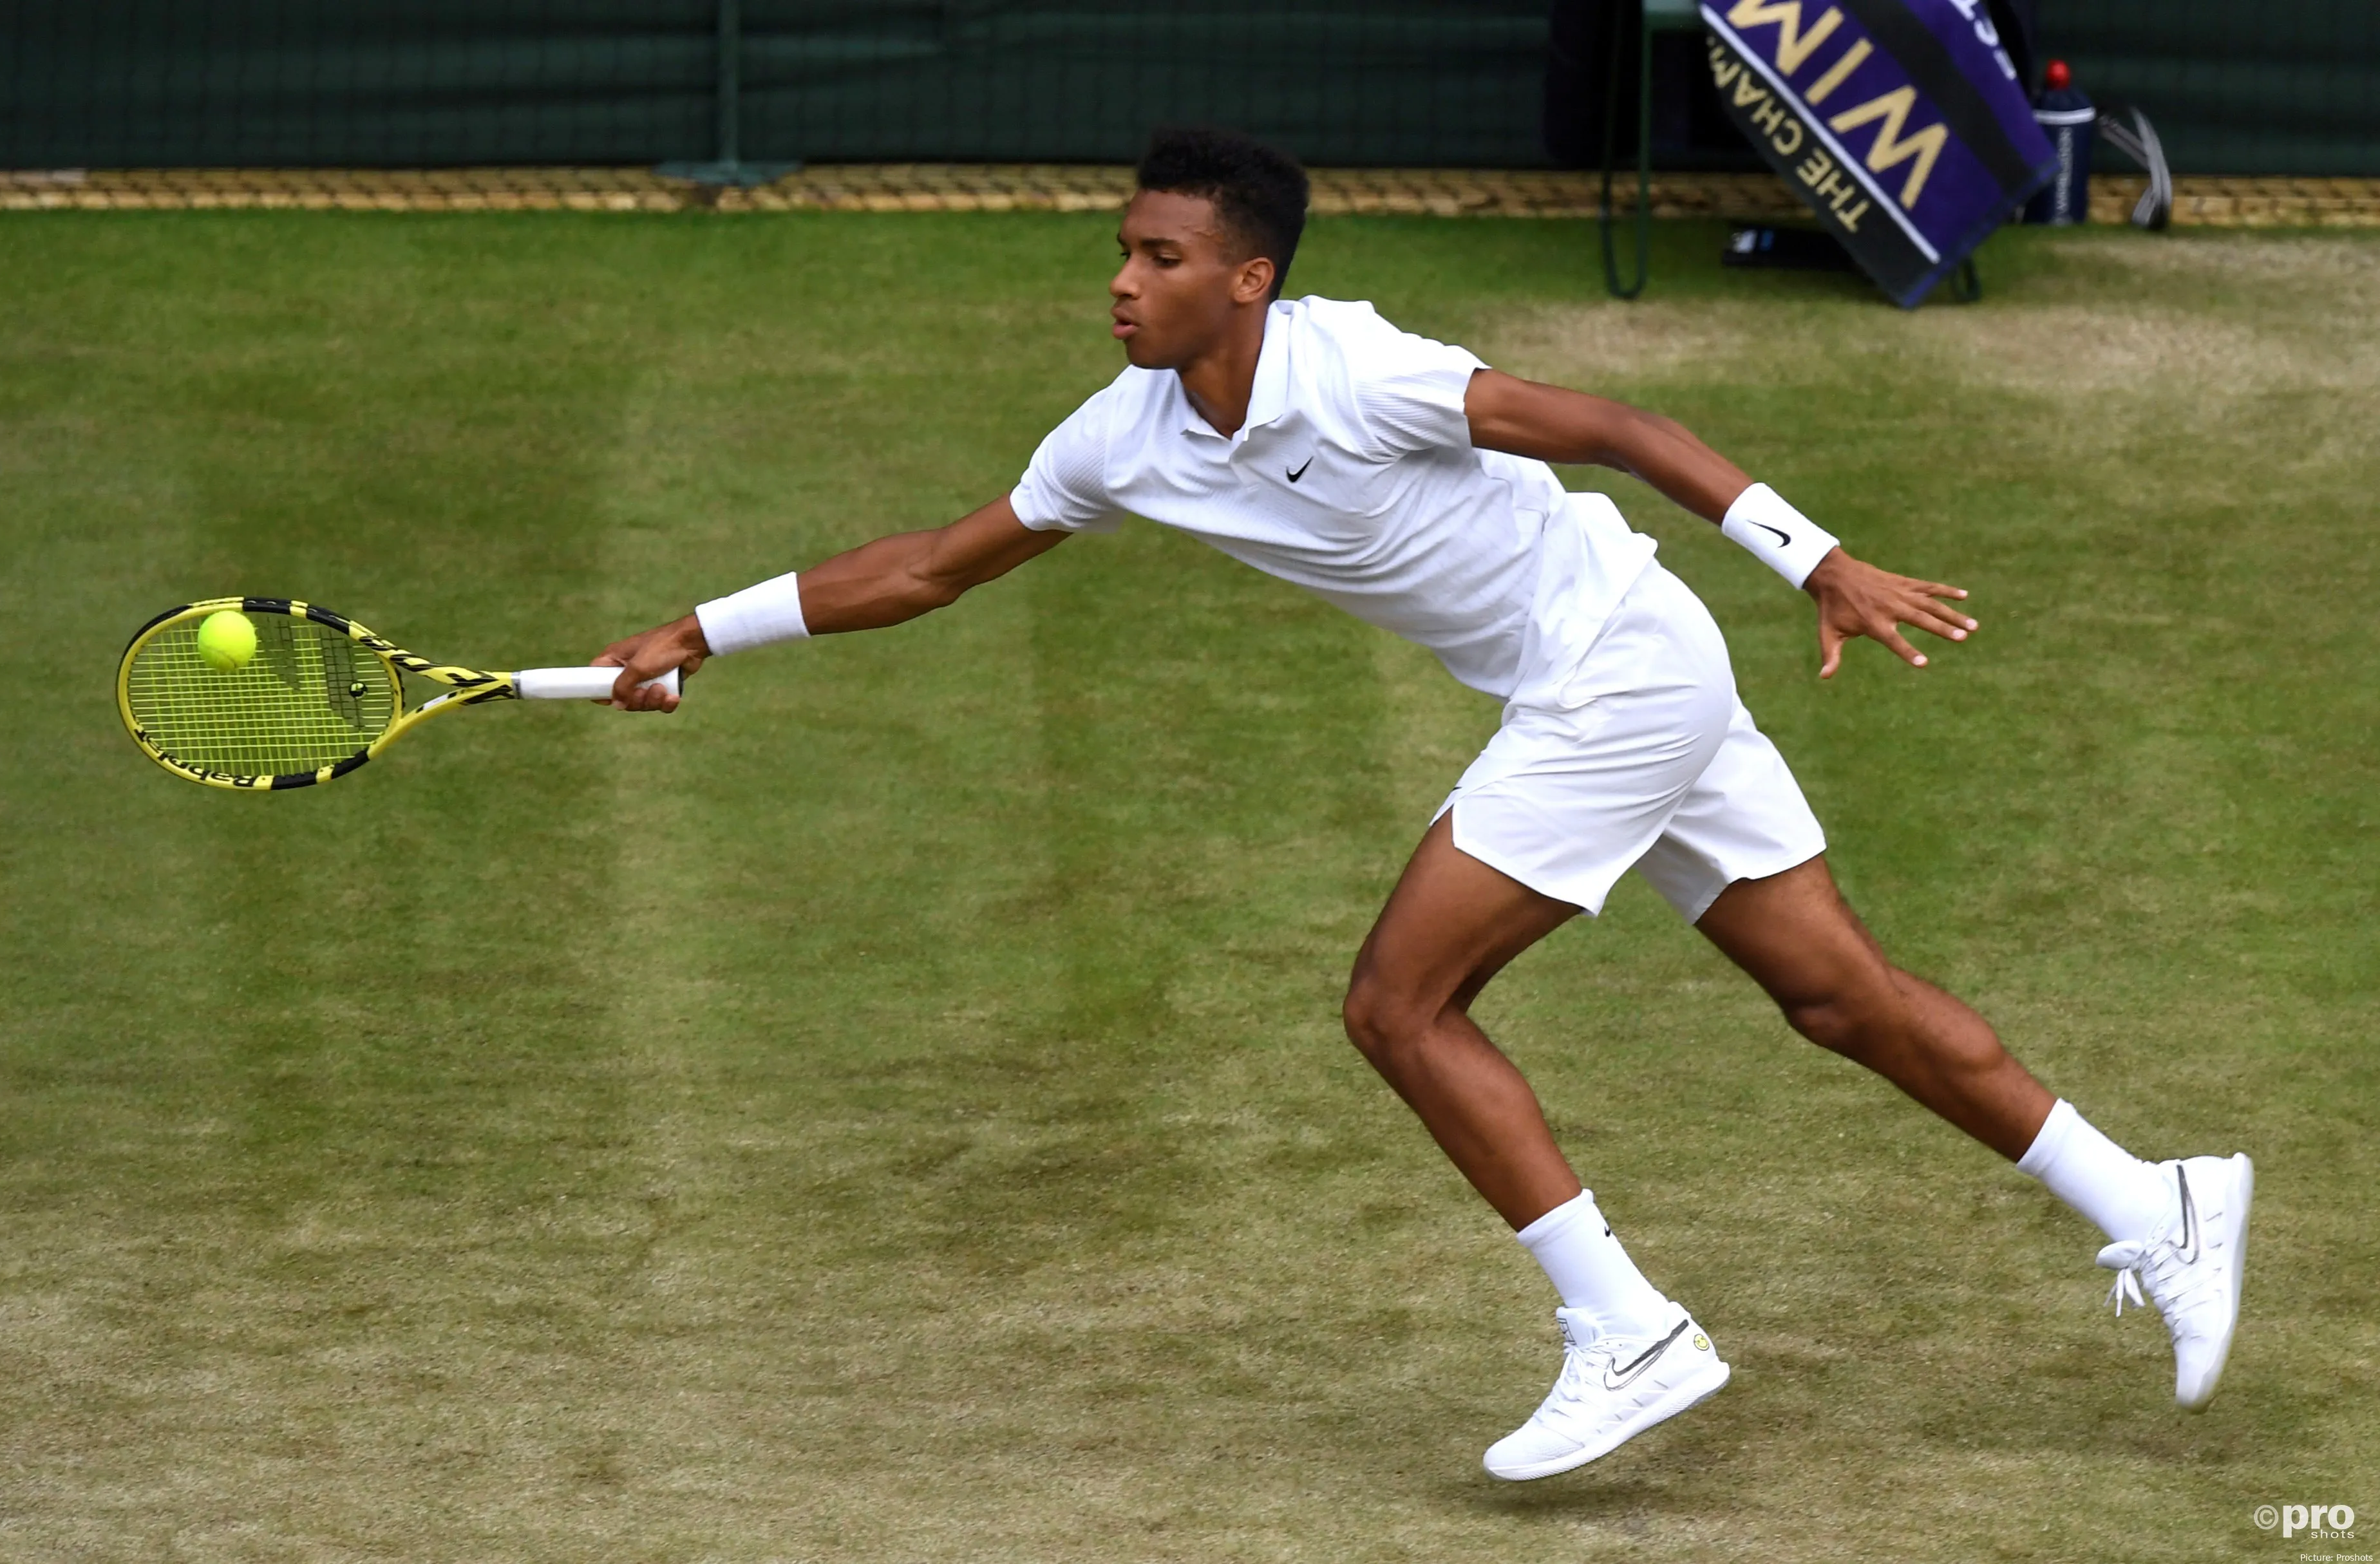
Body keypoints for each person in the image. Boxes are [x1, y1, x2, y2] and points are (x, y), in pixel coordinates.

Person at [594, 127, 2251, 1480]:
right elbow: (930, 565)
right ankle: (2154, 1197)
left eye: (1161, 258)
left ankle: (1628, 1327)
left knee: (1400, 1004)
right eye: (1122, 249)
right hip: (1612, 672)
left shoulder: (1362, 371)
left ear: (1249, 280)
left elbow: (1613, 425)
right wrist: (699, 630)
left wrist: (1817, 561)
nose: (1121, 281)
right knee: (1839, 996)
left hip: (1619, 666)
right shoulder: (1122, 438)